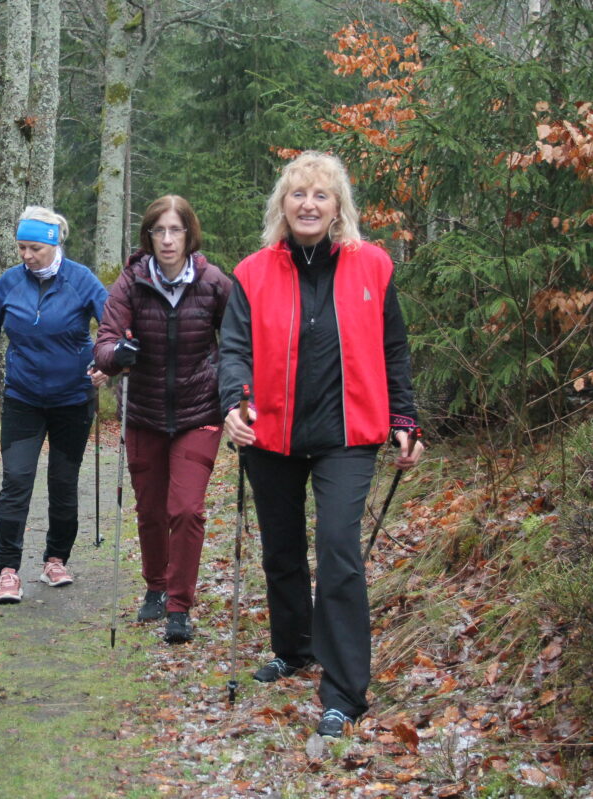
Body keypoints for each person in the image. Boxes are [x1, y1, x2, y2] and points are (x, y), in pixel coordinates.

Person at [218, 151, 424, 738]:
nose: (308, 205)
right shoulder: (252, 272)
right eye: (298, 194)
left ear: (339, 208)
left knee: (338, 551)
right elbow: (233, 350)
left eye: (321, 196)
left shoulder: (373, 267)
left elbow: (395, 351)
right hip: (271, 431)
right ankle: (294, 647)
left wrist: (405, 418)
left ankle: (344, 691)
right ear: (282, 205)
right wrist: (234, 403)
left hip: (348, 435)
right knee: (281, 549)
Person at [93, 195, 231, 645]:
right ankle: (154, 585)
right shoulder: (131, 284)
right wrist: (118, 355)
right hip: (145, 414)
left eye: (176, 231)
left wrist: (235, 395)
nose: (167, 240)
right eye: (159, 231)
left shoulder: (213, 283)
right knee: (151, 511)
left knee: (186, 509)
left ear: (190, 235)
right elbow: (105, 344)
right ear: (147, 236)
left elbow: (237, 343)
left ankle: (178, 606)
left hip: (198, 412)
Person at [0, 206, 109, 604]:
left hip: (72, 399)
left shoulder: (82, 280)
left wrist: (106, 363)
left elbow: (113, 328)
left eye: (34, 248)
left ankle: (55, 559)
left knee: (63, 484)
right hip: (23, 398)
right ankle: (8, 570)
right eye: (21, 248)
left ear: (54, 245)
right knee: (16, 481)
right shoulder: (9, 284)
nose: (27, 256)